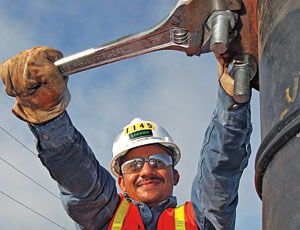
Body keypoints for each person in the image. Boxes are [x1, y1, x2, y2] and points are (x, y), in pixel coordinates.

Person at [0, 46, 252, 230]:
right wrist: (48, 117)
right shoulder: (102, 218)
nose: (146, 171)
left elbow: (220, 170)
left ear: (174, 175)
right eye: (133, 165)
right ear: (121, 181)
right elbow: (78, 176)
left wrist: (233, 100)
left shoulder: (199, 221)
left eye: (158, 161)